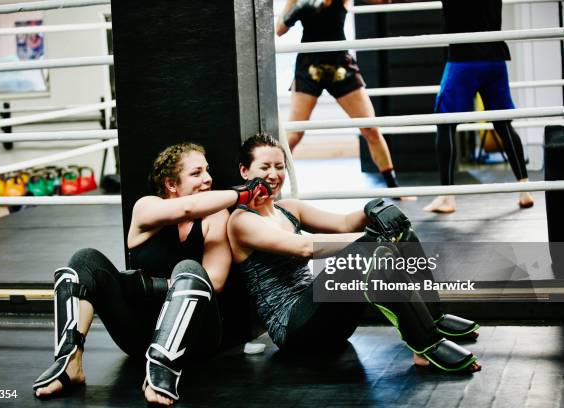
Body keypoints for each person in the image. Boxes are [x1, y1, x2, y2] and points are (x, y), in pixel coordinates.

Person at [32, 143, 270, 405]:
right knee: (84, 259)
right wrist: (244, 193)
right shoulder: (147, 207)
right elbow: (187, 208)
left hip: (196, 338)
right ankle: (69, 362)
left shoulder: (216, 215)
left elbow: (215, 281)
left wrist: (144, 286)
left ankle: (163, 369)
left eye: (207, 170)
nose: (208, 178)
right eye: (196, 173)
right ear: (171, 184)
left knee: (189, 269)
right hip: (138, 335)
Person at [227, 133, 482, 373]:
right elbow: (304, 247)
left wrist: (372, 210)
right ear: (244, 170)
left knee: (400, 231)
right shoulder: (242, 222)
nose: (274, 174)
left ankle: (433, 318)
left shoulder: (288, 208)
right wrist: (371, 240)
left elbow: (345, 224)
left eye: (279, 166)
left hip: (329, 322)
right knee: (369, 252)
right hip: (294, 328)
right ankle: (425, 347)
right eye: (264, 167)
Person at [276, 0, 413, 196]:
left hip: (339, 64)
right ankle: (268, 184)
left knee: (370, 128)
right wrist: (298, 10)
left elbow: (380, 0)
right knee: (295, 133)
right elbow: (279, 29)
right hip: (309, 66)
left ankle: (394, 187)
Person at [424, 0, 534, 213]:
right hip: (494, 59)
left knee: (444, 122)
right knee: (504, 125)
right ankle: (525, 189)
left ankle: (447, 197)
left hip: (464, 59)